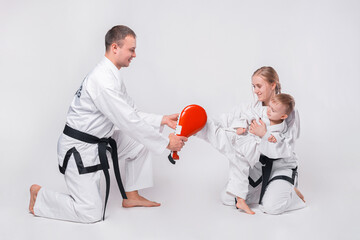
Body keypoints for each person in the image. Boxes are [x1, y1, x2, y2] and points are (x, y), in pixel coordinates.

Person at [28, 25, 188, 223]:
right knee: (90, 213)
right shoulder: (103, 81)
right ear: (115, 47)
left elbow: (131, 112)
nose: (135, 55)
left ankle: (131, 196)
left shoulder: (111, 75)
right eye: (131, 49)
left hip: (99, 142)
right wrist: (166, 144)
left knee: (140, 141)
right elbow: (129, 122)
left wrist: (161, 120)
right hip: (80, 150)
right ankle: (40, 198)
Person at [197, 66, 306, 215]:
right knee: (227, 198)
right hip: (259, 167)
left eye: (259, 86)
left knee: (270, 208)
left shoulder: (288, 111)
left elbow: (287, 148)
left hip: (281, 166)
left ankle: (291, 194)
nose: (255, 90)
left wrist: (264, 135)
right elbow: (225, 119)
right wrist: (196, 120)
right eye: (253, 86)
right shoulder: (249, 108)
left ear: (273, 85)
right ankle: (267, 190)